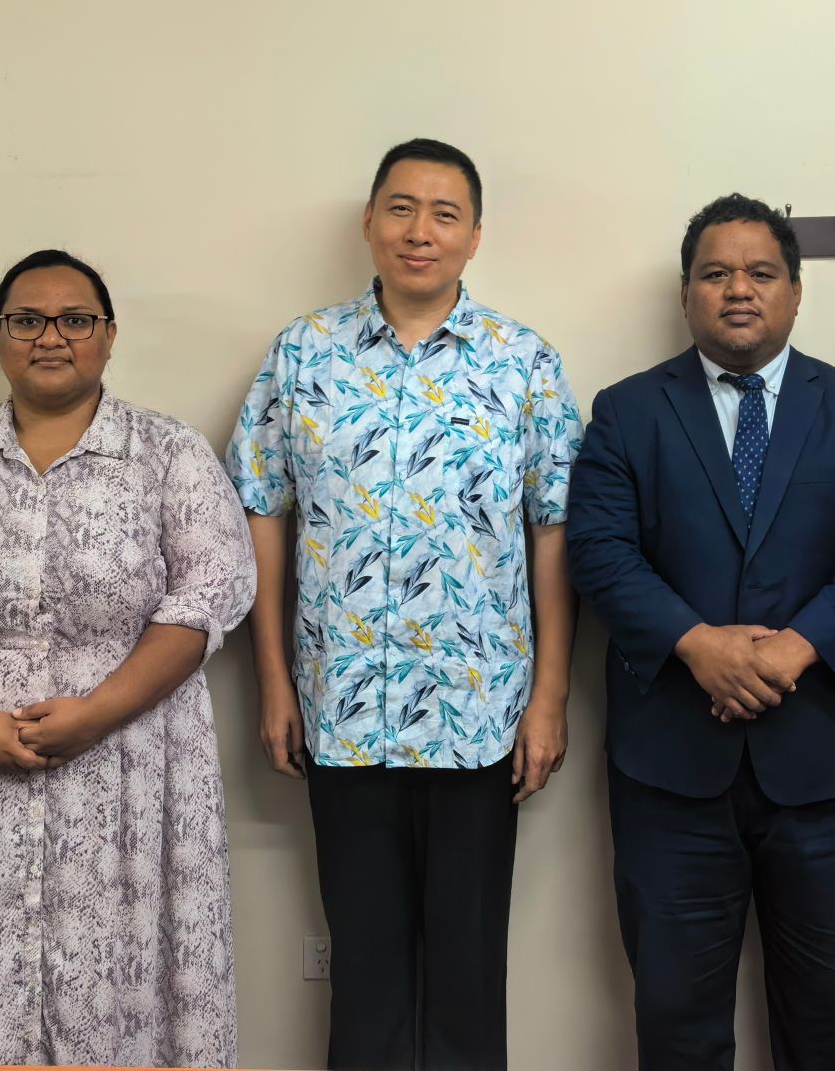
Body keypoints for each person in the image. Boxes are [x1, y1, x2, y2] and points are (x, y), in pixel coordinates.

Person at [0, 248, 255, 1068]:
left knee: (119, 1003)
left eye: (75, 319)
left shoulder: (168, 454)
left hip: (129, 775)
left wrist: (97, 714)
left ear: (109, 335)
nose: (51, 337)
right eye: (27, 320)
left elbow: (213, 591)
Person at [229, 137, 583, 1071]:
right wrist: (274, 682)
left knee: (468, 979)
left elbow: (555, 530)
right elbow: (261, 511)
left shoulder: (524, 363)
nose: (420, 231)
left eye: (444, 213)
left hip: (481, 716)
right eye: (401, 207)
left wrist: (549, 698)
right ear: (369, 222)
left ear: (474, 236)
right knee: (365, 976)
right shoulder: (303, 354)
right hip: (342, 713)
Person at [566, 192, 835, 1071]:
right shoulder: (628, 411)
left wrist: (788, 652)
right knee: (677, 1022)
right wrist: (700, 646)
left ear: (795, 292)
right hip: (670, 772)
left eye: (761, 273)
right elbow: (599, 552)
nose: (739, 289)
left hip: (825, 770)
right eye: (716, 274)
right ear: (686, 293)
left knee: (830, 1018)